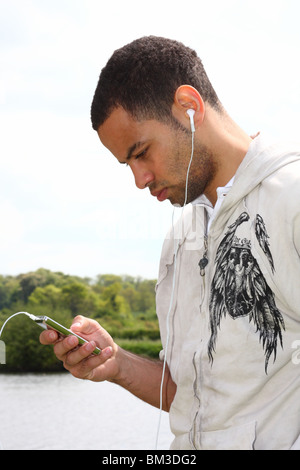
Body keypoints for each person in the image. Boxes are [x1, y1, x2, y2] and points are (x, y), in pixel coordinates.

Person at [40, 36, 300, 450]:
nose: (139, 179)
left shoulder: (292, 198)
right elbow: (196, 401)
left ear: (189, 107)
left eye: (141, 152)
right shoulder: (179, 241)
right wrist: (117, 364)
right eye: (128, 164)